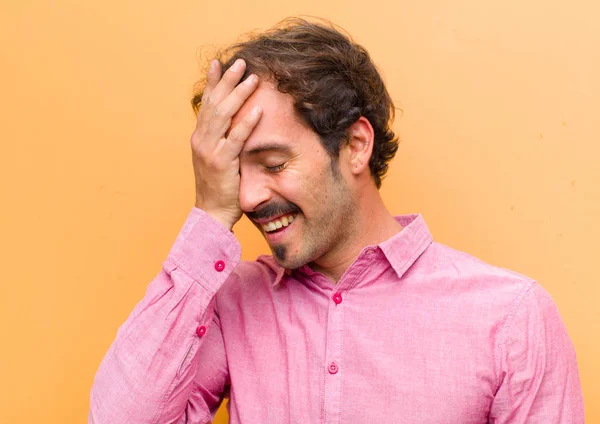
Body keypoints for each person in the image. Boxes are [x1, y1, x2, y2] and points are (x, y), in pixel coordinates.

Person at [89, 18, 584, 424]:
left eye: (275, 163)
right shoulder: (224, 303)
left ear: (354, 145)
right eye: (236, 171)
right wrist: (210, 215)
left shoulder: (511, 318)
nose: (249, 196)